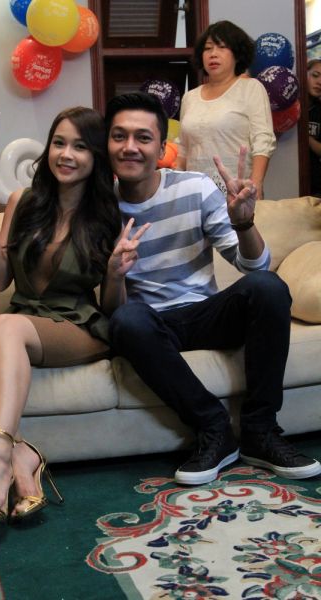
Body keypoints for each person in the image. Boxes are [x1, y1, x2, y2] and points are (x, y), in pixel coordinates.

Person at [104, 91, 321, 486]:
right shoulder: (99, 207)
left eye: (143, 137)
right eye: (119, 136)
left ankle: (260, 431)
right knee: (126, 320)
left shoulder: (194, 188)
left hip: (205, 314)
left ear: (162, 148)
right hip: (152, 326)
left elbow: (252, 265)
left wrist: (244, 223)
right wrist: (115, 274)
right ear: (107, 144)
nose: (130, 146)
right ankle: (215, 429)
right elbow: (110, 309)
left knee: (268, 287)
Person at [0, 106, 138, 524]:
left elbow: (113, 309)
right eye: (59, 143)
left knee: (5, 324)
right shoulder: (23, 201)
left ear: (95, 157)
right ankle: (20, 455)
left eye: (80, 147)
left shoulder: (108, 214)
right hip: (24, 320)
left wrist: (115, 273)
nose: (66, 154)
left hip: (79, 324)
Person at [176, 20, 276, 200]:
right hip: (194, 194)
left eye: (222, 47)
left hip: (237, 193)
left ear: (237, 54)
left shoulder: (251, 88)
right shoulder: (190, 97)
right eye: (208, 48)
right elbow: (183, 148)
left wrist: (255, 186)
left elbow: (263, 140)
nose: (213, 54)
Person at [308, 58, 321, 197]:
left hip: (317, 188)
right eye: (315, 75)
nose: (320, 82)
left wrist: (307, 139)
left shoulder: (319, 110)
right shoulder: (292, 106)